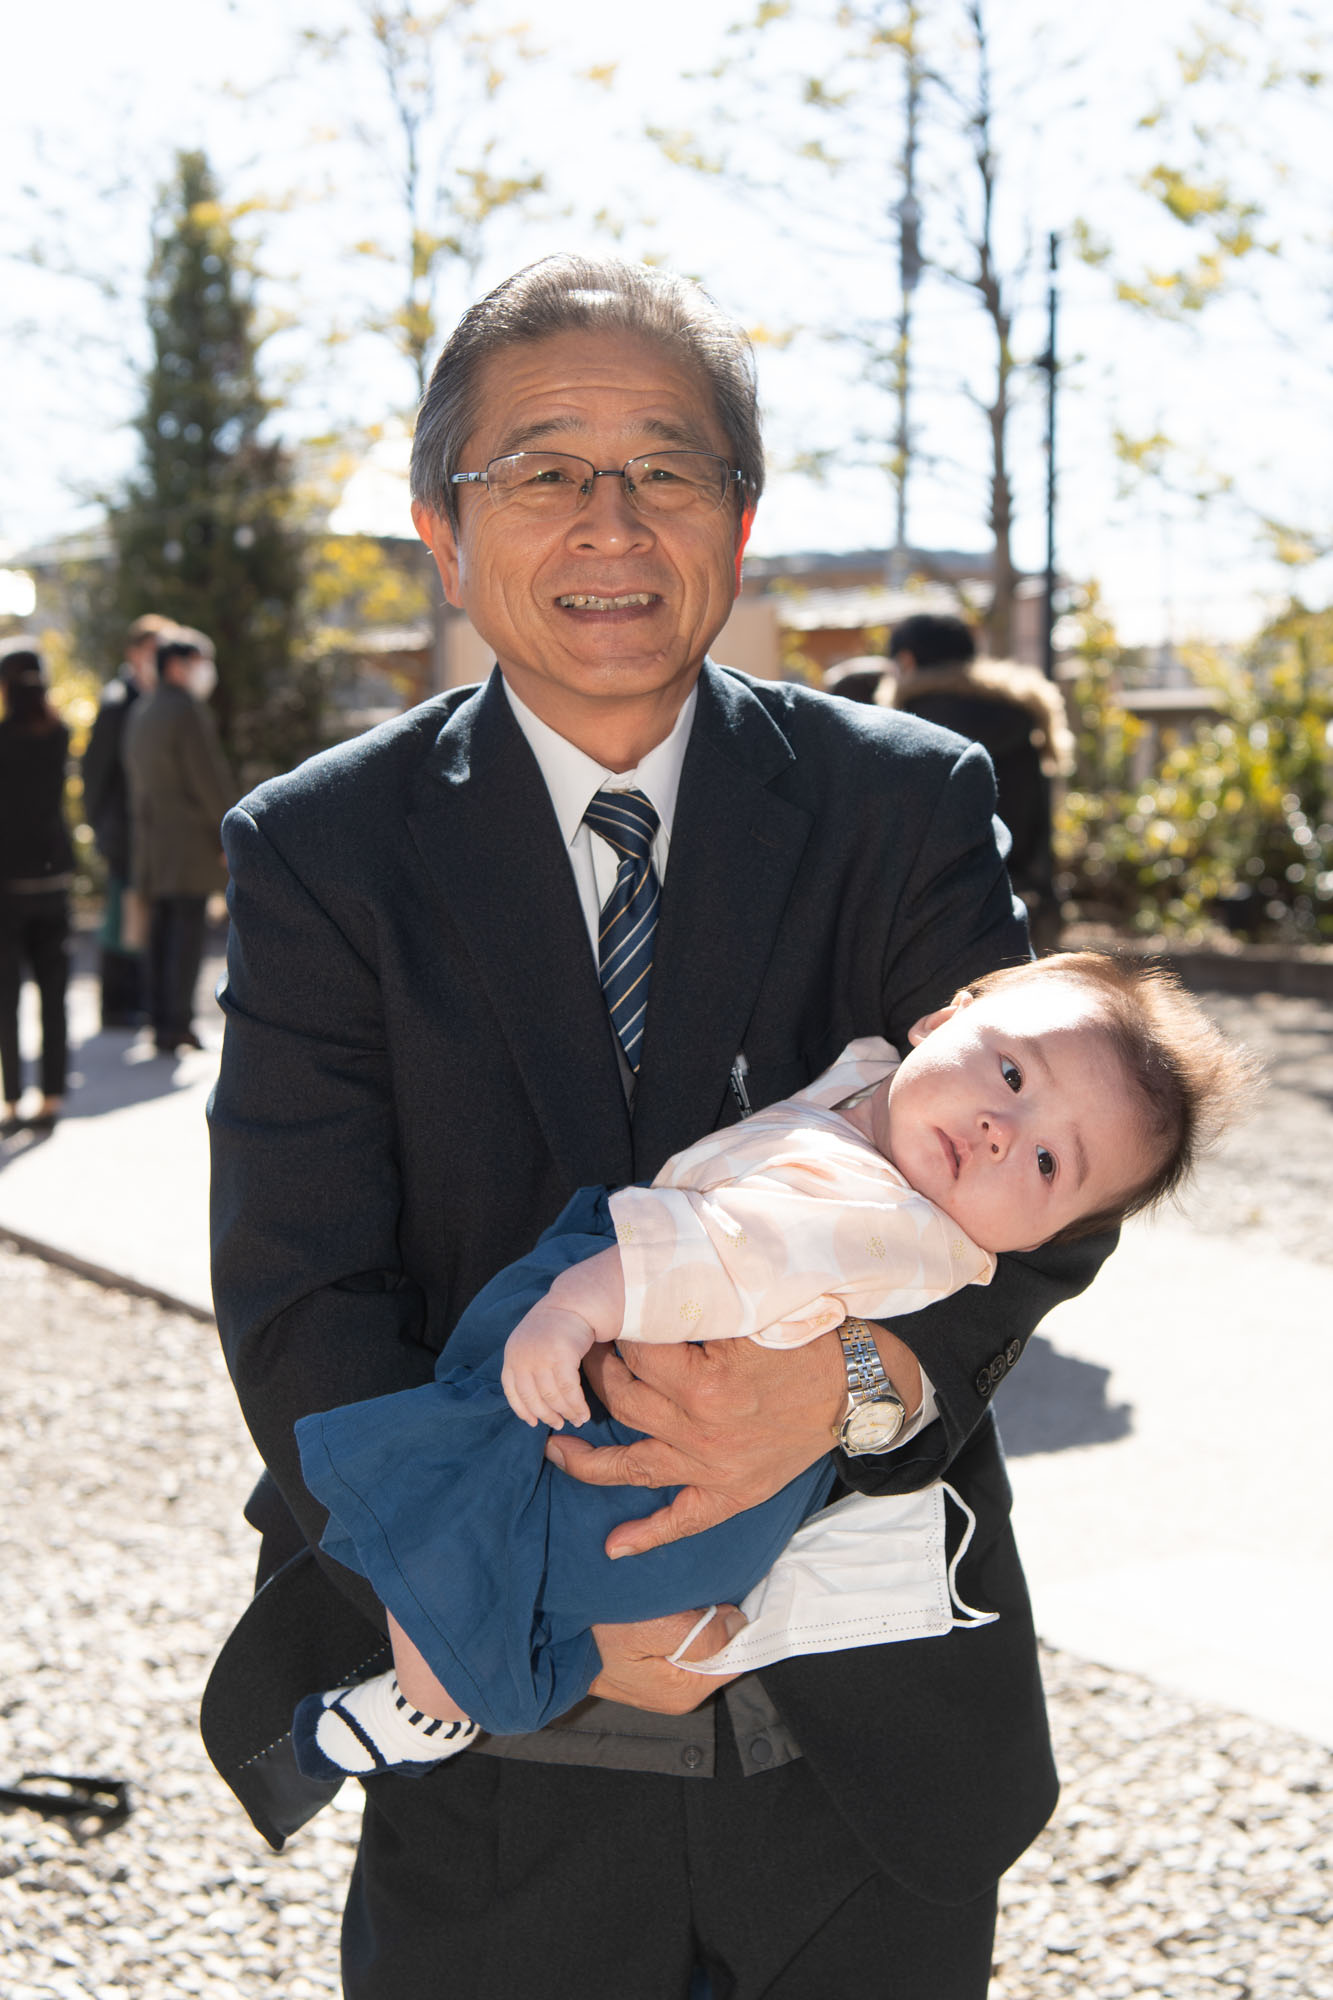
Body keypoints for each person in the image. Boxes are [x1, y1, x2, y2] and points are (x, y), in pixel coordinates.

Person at [205, 253, 1118, 2000]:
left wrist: (854, 1383)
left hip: (860, 1757)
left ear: (741, 514)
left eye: (665, 469)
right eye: (542, 471)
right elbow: (301, 1286)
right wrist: (486, 1584)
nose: (608, 524)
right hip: (493, 1748)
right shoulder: (323, 849)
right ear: (442, 530)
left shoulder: (903, 802)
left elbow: (1056, 1181)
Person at [288, 950, 1249, 1779]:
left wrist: (573, 1306)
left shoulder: (869, 1217)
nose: (1006, 1130)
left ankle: (435, 1701)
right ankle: (458, 1683)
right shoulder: (872, 1097)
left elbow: (721, 1251)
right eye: (1008, 1073)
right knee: (484, 1533)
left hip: (649, 1404)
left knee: (447, 1510)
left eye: (1047, 1165)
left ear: (1047, 1233)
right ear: (941, 1015)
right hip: (694, 1451)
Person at [888, 613, 1075, 953]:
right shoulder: (1020, 713)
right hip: (1015, 900)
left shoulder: (904, 722)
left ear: (907, 660)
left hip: (930, 915)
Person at [122, 630, 234, 1056]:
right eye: (197, 661)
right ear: (176, 666)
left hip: (152, 843)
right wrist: (229, 829)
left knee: (161, 935)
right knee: (185, 937)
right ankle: (180, 1024)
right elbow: (208, 778)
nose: (204, 672)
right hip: (187, 843)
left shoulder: (144, 709)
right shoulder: (184, 710)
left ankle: (161, 1022)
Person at [81, 612, 174, 1027]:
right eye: (151, 649)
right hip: (122, 829)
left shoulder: (154, 698)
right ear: (133, 653)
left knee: (141, 916)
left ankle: (137, 1001)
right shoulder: (118, 700)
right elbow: (95, 771)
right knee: (121, 916)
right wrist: (101, 827)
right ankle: (115, 1005)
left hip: (148, 830)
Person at [0, 650, 74, 1135]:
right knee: (54, 993)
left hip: (8, 880)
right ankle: (51, 1097)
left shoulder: (2, 740)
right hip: (55, 875)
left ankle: (11, 1100)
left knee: (7, 995)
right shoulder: (60, 735)